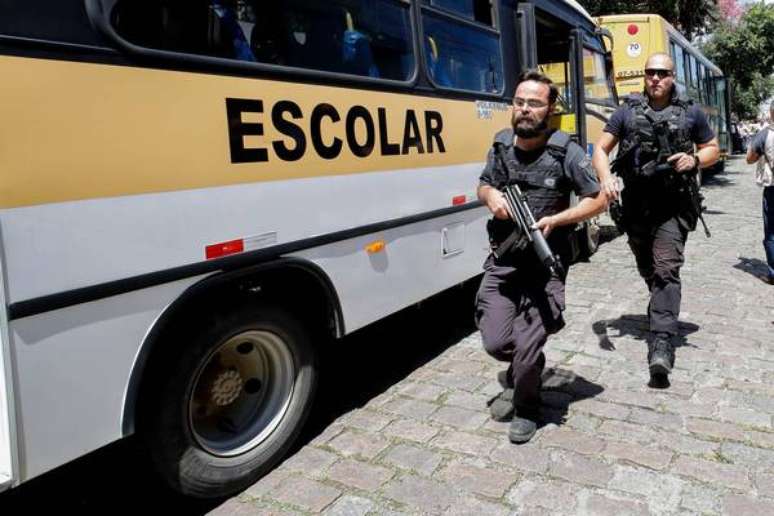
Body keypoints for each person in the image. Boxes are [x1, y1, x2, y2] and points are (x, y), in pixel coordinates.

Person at [476, 70, 607, 443]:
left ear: (550, 109)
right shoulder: (501, 145)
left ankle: (528, 407)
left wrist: (559, 218)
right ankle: (526, 366)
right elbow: (483, 183)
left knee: (529, 343)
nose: (525, 109)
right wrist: (491, 197)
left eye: (534, 103)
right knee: (497, 343)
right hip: (503, 260)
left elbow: (598, 199)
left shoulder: (566, 151)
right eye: (519, 102)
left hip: (545, 265)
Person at [592, 53, 719, 385]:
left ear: (672, 76)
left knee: (666, 268)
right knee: (648, 268)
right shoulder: (626, 112)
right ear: (645, 76)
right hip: (635, 207)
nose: (656, 78)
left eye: (662, 73)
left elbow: (712, 148)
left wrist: (693, 159)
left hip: (673, 207)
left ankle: (661, 343)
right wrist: (605, 178)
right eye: (651, 72)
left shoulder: (690, 112)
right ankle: (661, 303)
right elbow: (601, 149)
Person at [745, 103, 774, 285]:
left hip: (773, 189)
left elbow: (749, 159)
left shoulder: (765, 134)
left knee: (772, 232)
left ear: (771, 113)